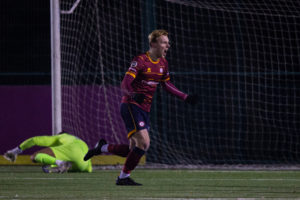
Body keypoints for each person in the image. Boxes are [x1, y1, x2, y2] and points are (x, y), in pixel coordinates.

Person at [84, 29, 197, 185]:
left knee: (132, 150)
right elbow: (125, 84)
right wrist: (132, 95)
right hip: (131, 105)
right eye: (164, 42)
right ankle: (122, 178)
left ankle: (102, 147)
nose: (168, 45)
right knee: (144, 143)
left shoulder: (163, 63)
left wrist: (185, 97)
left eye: (168, 42)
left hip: (145, 109)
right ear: (153, 44)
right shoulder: (140, 60)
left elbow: (167, 84)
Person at [4, 132, 92, 173]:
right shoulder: (80, 142)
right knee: (52, 165)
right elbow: (89, 169)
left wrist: (15, 151)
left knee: (34, 157)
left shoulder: (61, 136)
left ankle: (60, 163)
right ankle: (60, 165)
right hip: (83, 165)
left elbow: (35, 140)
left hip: (71, 150)